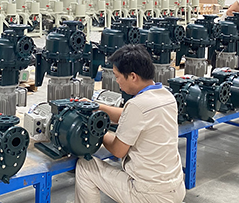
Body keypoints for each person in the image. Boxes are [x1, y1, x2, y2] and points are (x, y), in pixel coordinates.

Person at [74, 45, 186, 203]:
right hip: (176, 188)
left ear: (133, 76)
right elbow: (129, 116)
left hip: (149, 195)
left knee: (85, 167)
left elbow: (118, 150)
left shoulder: (137, 106)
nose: (117, 81)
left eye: (117, 76)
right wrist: (96, 107)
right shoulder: (166, 96)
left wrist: (96, 130)